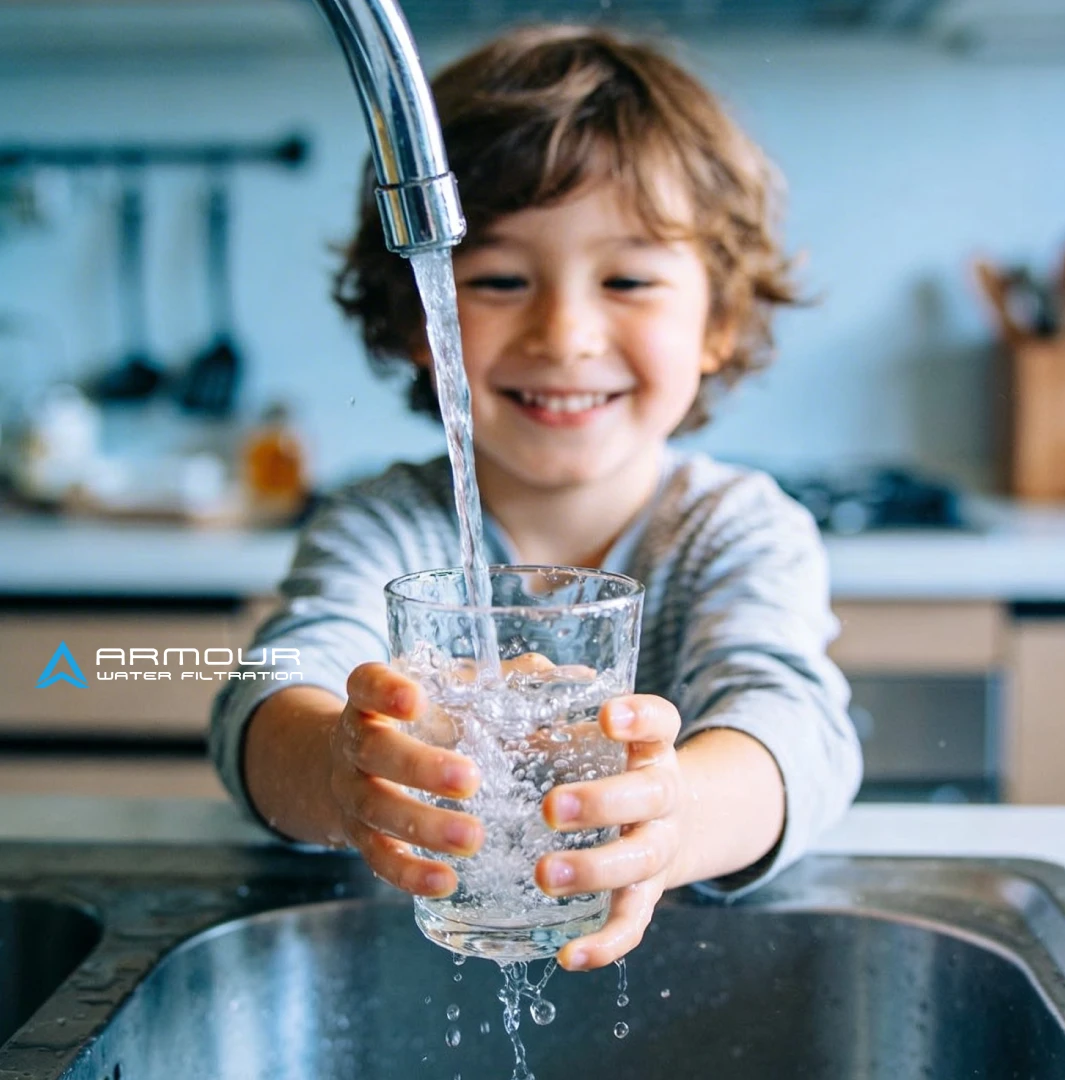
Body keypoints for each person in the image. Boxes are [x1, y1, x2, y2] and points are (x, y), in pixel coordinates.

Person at [210, 24, 862, 973]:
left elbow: (794, 727)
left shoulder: (739, 530)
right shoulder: (380, 528)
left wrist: (675, 820)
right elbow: (271, 695)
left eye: (629, 278)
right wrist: (337, 769)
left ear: (718, 321)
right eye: (502, 279)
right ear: (419, 317)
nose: (565, 334)